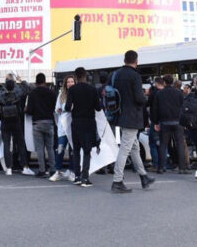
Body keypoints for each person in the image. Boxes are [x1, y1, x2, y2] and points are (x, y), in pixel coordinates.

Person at [110, 50, 154, 193]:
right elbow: (139, 98)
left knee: (134, 147)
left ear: (124, 60)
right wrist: (146, 96)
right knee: (125, 149)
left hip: (121, 115)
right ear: (136, 61)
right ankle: (117, 181)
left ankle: (143, 176)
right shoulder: (134, 76)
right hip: (132, 116)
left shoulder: (117, 74)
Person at [65, 67, 102, 187]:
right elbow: (98, 108)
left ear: (75, 77)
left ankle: (77, 176)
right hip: (88, 122)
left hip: (76, 123)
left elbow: (67, 107)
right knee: (87, 151)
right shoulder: (92, 89)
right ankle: (85, 177)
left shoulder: (72, 89)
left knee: (76, 150)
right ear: (86, 76)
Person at [27, 73, 61, 180]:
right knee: (50, 148)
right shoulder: (51, 93)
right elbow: (55, 108)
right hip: (49, 122)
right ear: (45, 81)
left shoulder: (32, 94)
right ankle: (52, 169)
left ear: (36, 82)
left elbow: (29, 110)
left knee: (40, 149)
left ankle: (42, 170)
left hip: (37, 123)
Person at [153, 74, 188, 175]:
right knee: (180, 144)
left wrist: (156, 122)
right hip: (178, 122)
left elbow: (155, 109)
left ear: (164, 82)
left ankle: (161, 167)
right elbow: (183, 108)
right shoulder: (179, 93)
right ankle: (182, 167)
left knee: (163, 145)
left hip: (165, 122)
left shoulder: (159, 94)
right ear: (172, 82)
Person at [0, 76, 26, 176]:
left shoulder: (1, 96)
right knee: (21, 143)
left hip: (5, 122)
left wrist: (3, 116)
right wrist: (21, 81)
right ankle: (24, 166)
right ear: (14, 86)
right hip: (16, 121)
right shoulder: (17, 95)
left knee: (6, 145)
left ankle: (9, 168)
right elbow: (26, 89)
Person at [55, 75, 76, 180]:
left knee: (73, 151)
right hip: (63, 126)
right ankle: (57, 171)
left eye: (72, 81)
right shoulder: (61, 95)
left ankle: (71, 171)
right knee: (60, 149)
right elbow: (57, 109)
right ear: (65, 84)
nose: (70, 83)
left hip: (73, 127)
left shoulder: (77, 94)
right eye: (68, 82)